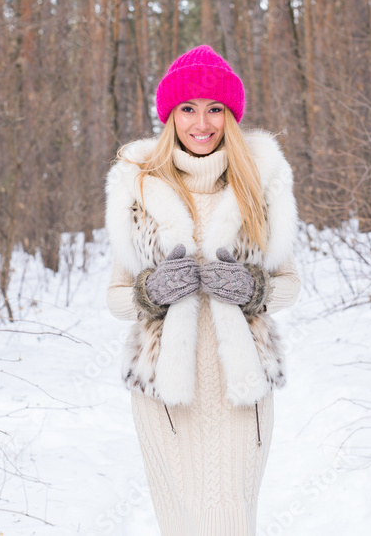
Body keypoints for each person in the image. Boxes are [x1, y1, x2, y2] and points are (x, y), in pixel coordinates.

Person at [104, 44, 301, 535]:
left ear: (231, 117)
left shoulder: (258, 185)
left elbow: (290, 285)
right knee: (182, 525)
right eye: (188, 109)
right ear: (170, 116)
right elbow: (116, 298)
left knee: (228, 521)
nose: (202, 123)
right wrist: (152, 292)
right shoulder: (141, 188)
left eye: (215, 109)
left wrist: (252, 289)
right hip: (166, 397)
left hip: (241, 391)